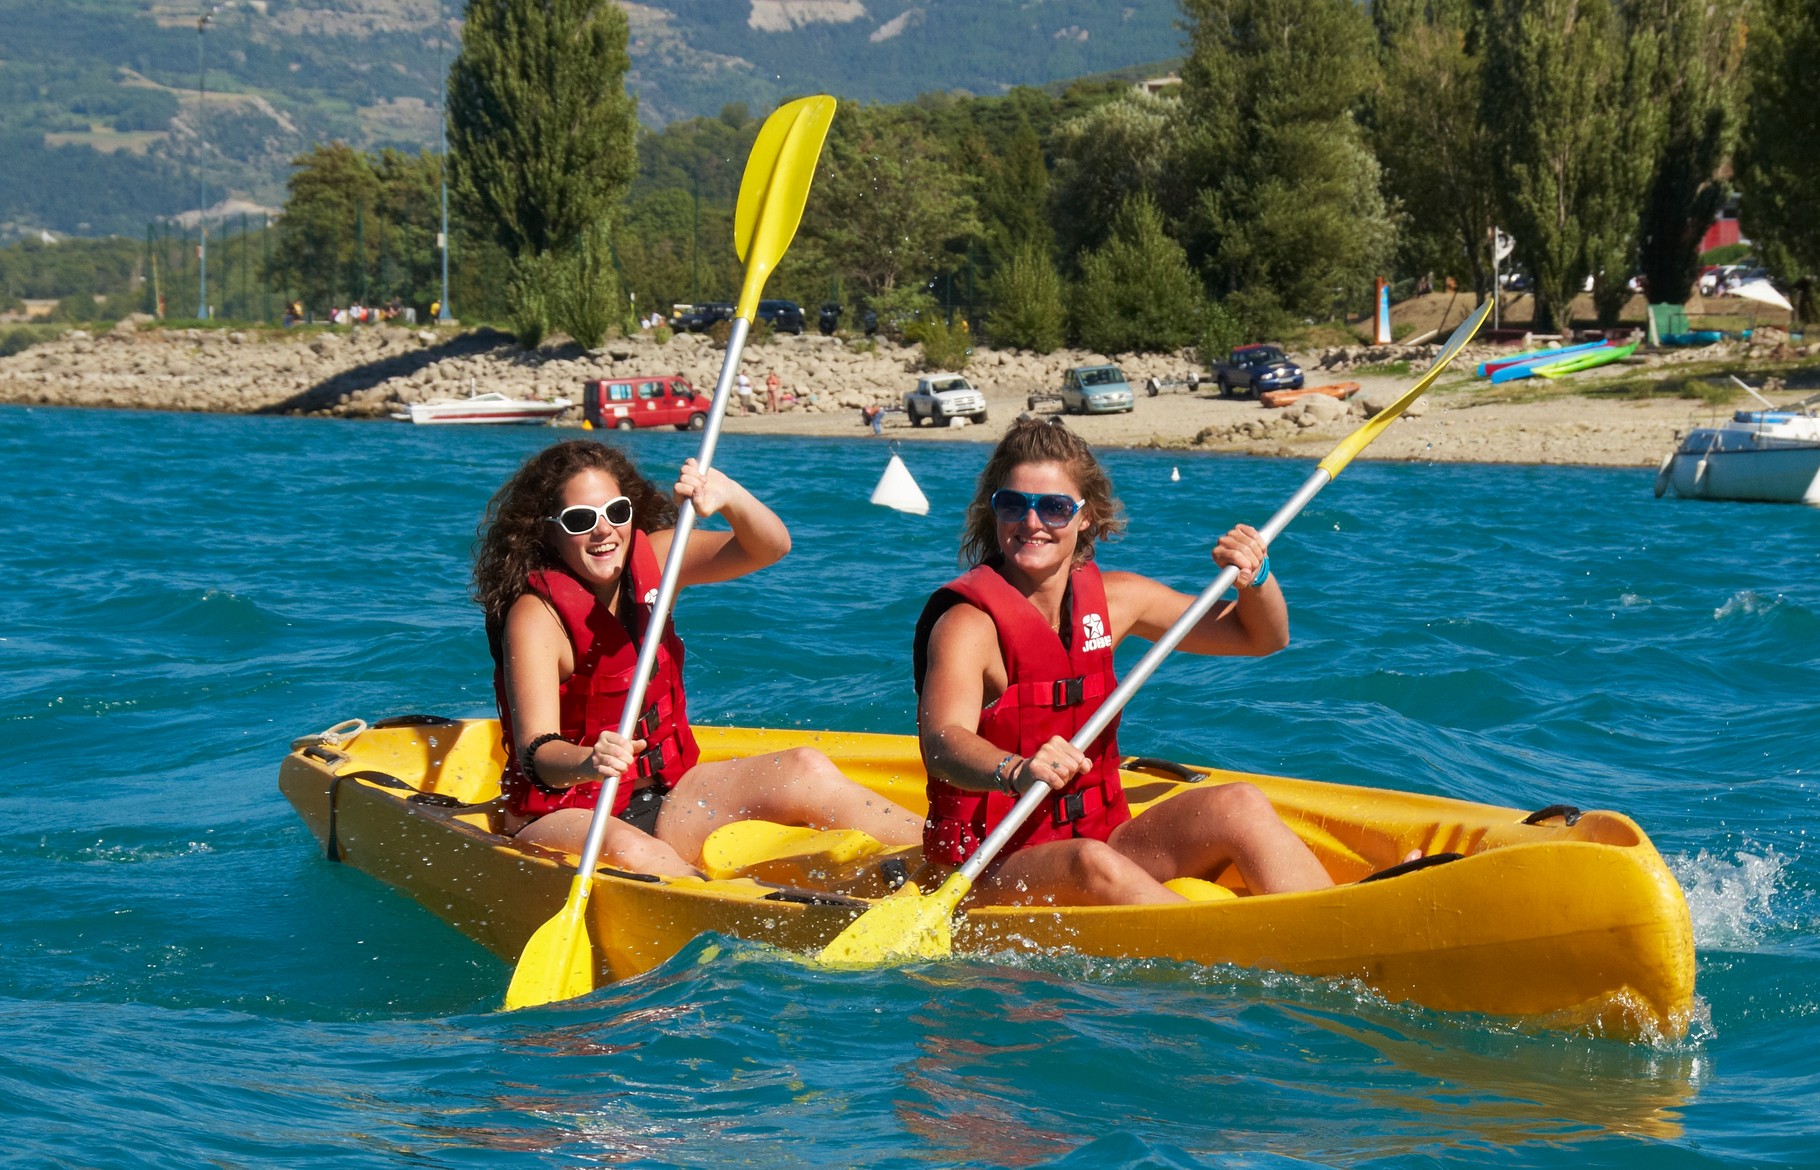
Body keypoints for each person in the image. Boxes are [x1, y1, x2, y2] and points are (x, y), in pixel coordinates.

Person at [913, 417, 1337, 908]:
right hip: (987, 866)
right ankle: (1241, 947)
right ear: (994, 512)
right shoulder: (968, 625)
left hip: (1099, 833)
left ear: (1086, 516)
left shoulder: (1117, 600)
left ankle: (1337, 916)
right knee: (1089, 863)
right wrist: (1016, 769)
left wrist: (1257, 580)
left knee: (1237, 804)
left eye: (1053, 508)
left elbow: (1261, 637)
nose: (1031, 523)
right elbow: (942, 743)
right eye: (1014, 504)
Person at [474, 439, 922, 874]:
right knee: (634, 850)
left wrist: (728, 496)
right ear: (549, 530)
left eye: (616, 512)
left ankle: (946, 852)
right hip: (565, 813)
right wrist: (588, 761)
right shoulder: (536, 617)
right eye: (579, 520)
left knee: (804, 768)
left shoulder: (660, 557)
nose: (603, 530)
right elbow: (539, 755)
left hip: (667, 798)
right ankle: (722, 918)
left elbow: (770, 547)